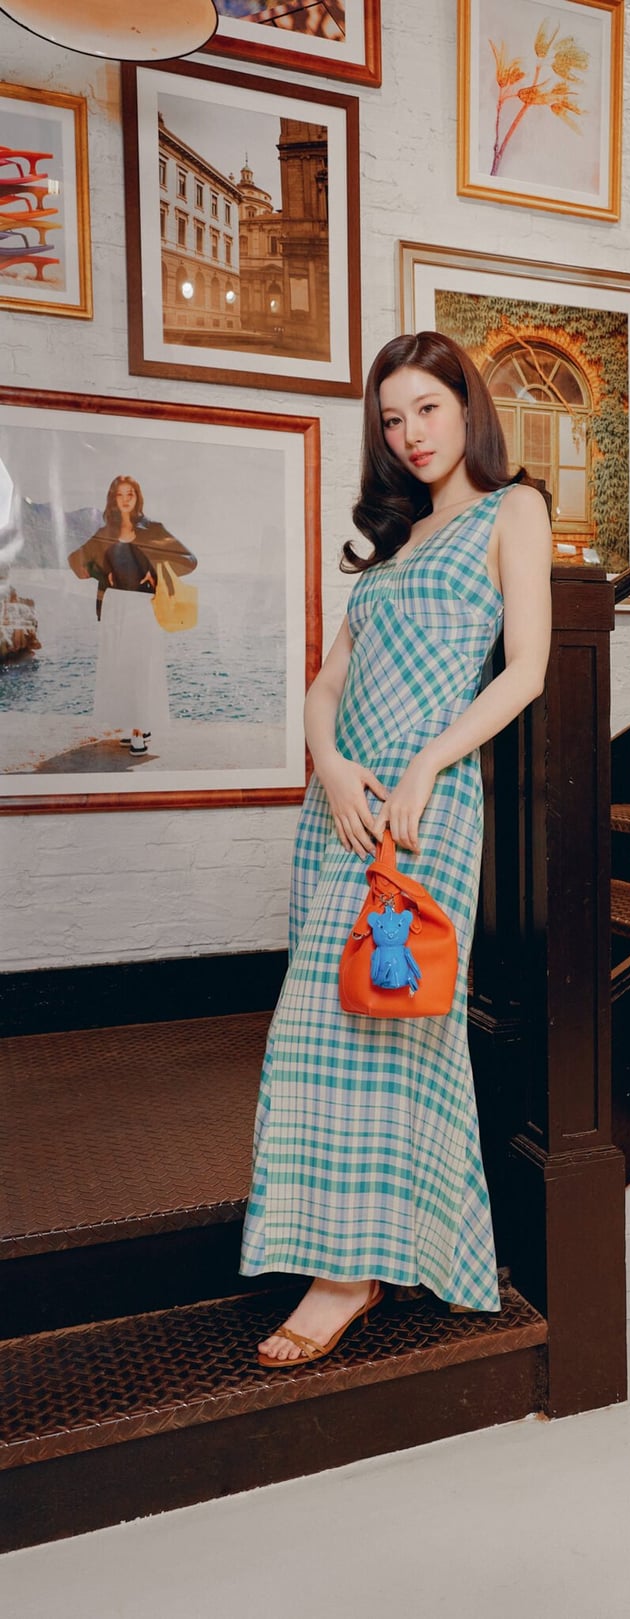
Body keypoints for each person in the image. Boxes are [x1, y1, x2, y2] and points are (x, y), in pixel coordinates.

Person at [241, 330, 553, 1366]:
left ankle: (356, 1271)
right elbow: (327, 682)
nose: (411, 433)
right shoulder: (395, 539)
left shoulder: (512, 511)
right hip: (341, 809)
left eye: (427, 407)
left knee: (396, 1030)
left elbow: (526, 670)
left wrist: (426, 764)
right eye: (392, 418)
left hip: (425, 810)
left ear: (466, 407)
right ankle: (351, 1254)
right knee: (312, 1028)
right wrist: (330, 763)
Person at [66, 476, 196, 754]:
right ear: (113, 499)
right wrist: (103, 573)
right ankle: (136, 723)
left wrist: (156, 573)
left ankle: (139, 732)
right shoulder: (106, 532)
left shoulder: (152, 529)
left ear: (137, 498)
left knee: (141, 667)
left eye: (130, 494)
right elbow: (75, 561)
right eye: (120, 494)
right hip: (114, 605)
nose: (125, 499)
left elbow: (189, 560)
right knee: (122, 669)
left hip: (143, 606)